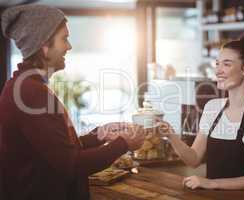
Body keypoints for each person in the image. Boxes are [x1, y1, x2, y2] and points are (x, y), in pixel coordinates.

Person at [0, 4, 145, 200]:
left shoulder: (26, 86)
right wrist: (124, 144)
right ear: (44, 46)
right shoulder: (30, 92)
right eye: (64, 39)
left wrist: (99, 135)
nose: (69, 46)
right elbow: (72, 165)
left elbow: (58, 151)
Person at [160, 36, 244, 192]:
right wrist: (170, 135)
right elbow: (194, 159)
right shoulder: (212, 108)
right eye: (217, 64)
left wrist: (212, 183)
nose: (218, 70)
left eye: (226, 64)